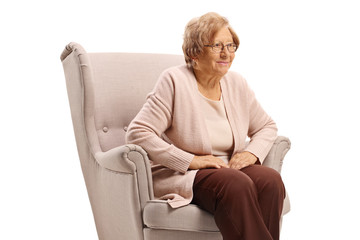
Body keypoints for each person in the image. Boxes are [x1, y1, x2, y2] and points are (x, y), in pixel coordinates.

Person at [126, 12, 285, 240]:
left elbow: (267, 126)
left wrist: (251, 153)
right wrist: (191, 160)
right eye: (217, 46)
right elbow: (137, 133)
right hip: (187, 174)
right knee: (236, 184)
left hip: (228, 168)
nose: (226, 53)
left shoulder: (236, 83)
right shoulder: (174, 80)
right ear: (194, 53)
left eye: (231, 46)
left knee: (270, 181)